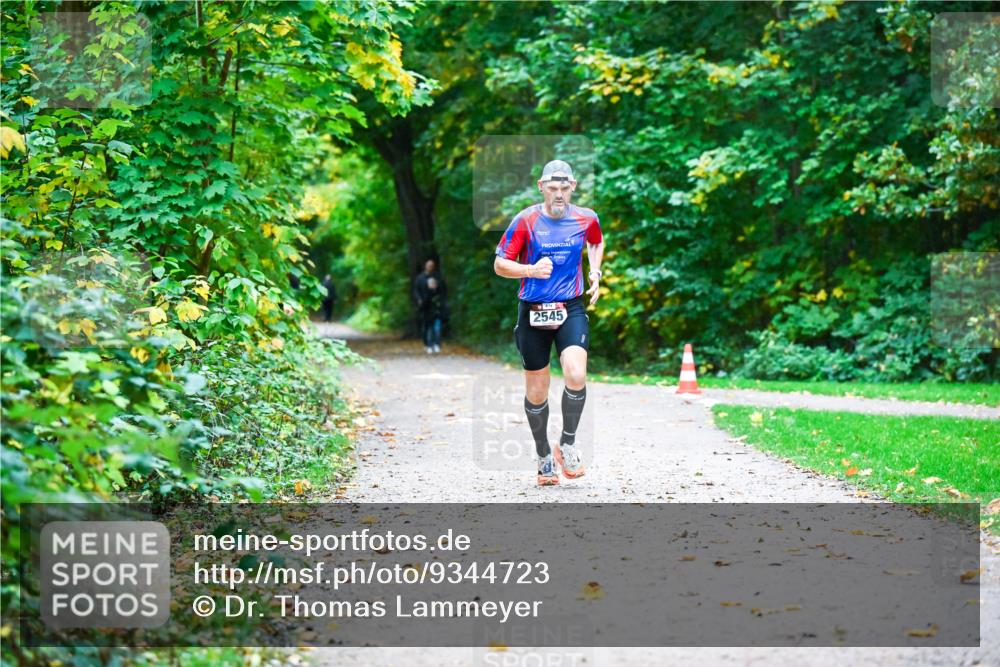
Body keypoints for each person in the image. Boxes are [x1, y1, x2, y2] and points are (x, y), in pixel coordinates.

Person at [493, 160, 604, 486]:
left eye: (564, 188)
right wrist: (530, 270)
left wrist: (595, 272)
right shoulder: (525, 220)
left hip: (570, 307)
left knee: (576, 374)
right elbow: (500, 264)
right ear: (541, 187)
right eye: (552, 188)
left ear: (573, 187)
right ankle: (543, 455)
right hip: (533, 310)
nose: (558, 194)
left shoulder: (586, 218)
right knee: (537, 391)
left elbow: (595, 241)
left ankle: (566, 444)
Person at [413, 258, 448, 353]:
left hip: (436, 307)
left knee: (437, 327)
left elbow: (443, 290)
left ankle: (436, 344)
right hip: (425, 306)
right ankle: (427, 344)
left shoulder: (438, 277)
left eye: (432, 266)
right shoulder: (420, 278)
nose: (430, 267)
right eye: (429, 265)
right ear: (426, 266)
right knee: (427, 327)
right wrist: (419, 300)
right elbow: (416, 290)